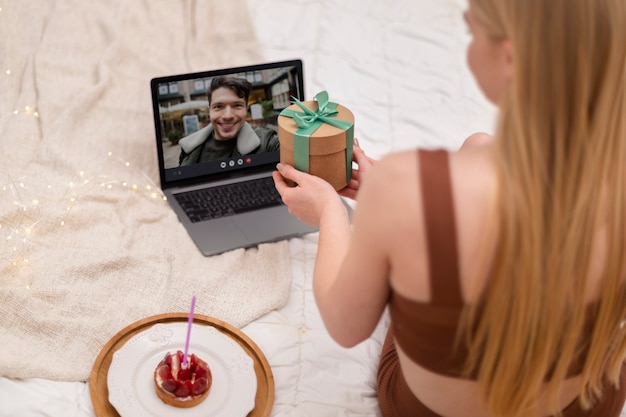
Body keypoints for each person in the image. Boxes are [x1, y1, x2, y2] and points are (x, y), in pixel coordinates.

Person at [272, 0, 626, 415]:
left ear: (509, 57)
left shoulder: (402, 184)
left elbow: (345, 327)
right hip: (581, 405)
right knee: (479, 143)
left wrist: (331, 212)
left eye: (472, 32)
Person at [178, 76, 279, 166]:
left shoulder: (268, 143)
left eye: (237, 105)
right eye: (218, 106)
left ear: (246, 109)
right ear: (210, 110)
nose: (228, 116)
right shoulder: (188, 147)